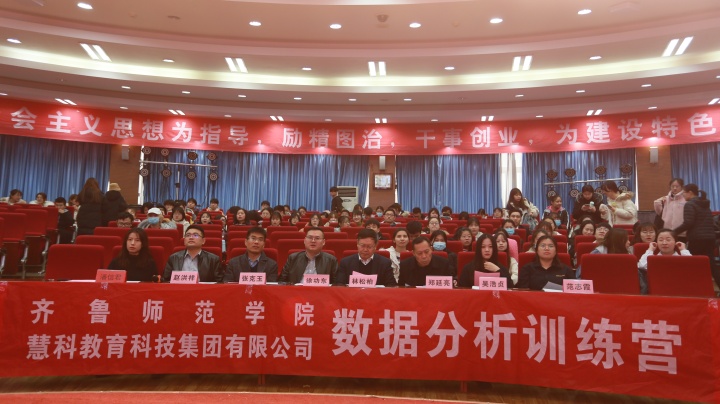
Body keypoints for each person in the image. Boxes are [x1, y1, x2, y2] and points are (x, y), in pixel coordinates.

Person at [673, 184, 719, 285]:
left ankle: (692, 286)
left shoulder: (689, 204)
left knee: (692, 263)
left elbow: (688, 223)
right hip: (709, 238)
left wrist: (673, 232)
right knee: (711, 264)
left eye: (684, 193)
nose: (683, 195)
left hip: (697, 239)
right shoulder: (704, 204)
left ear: (690, 193)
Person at [637, 229, 691, 294]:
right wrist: (650, 249)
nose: (664, 243)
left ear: (675, 242)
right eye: (660, 240)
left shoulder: (682, 259)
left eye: (668, 240)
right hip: (657, 290)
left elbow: (691, 265)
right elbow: (641, 265)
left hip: (680, 290)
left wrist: (683, 250)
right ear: (656, 242)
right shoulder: (653, 260)